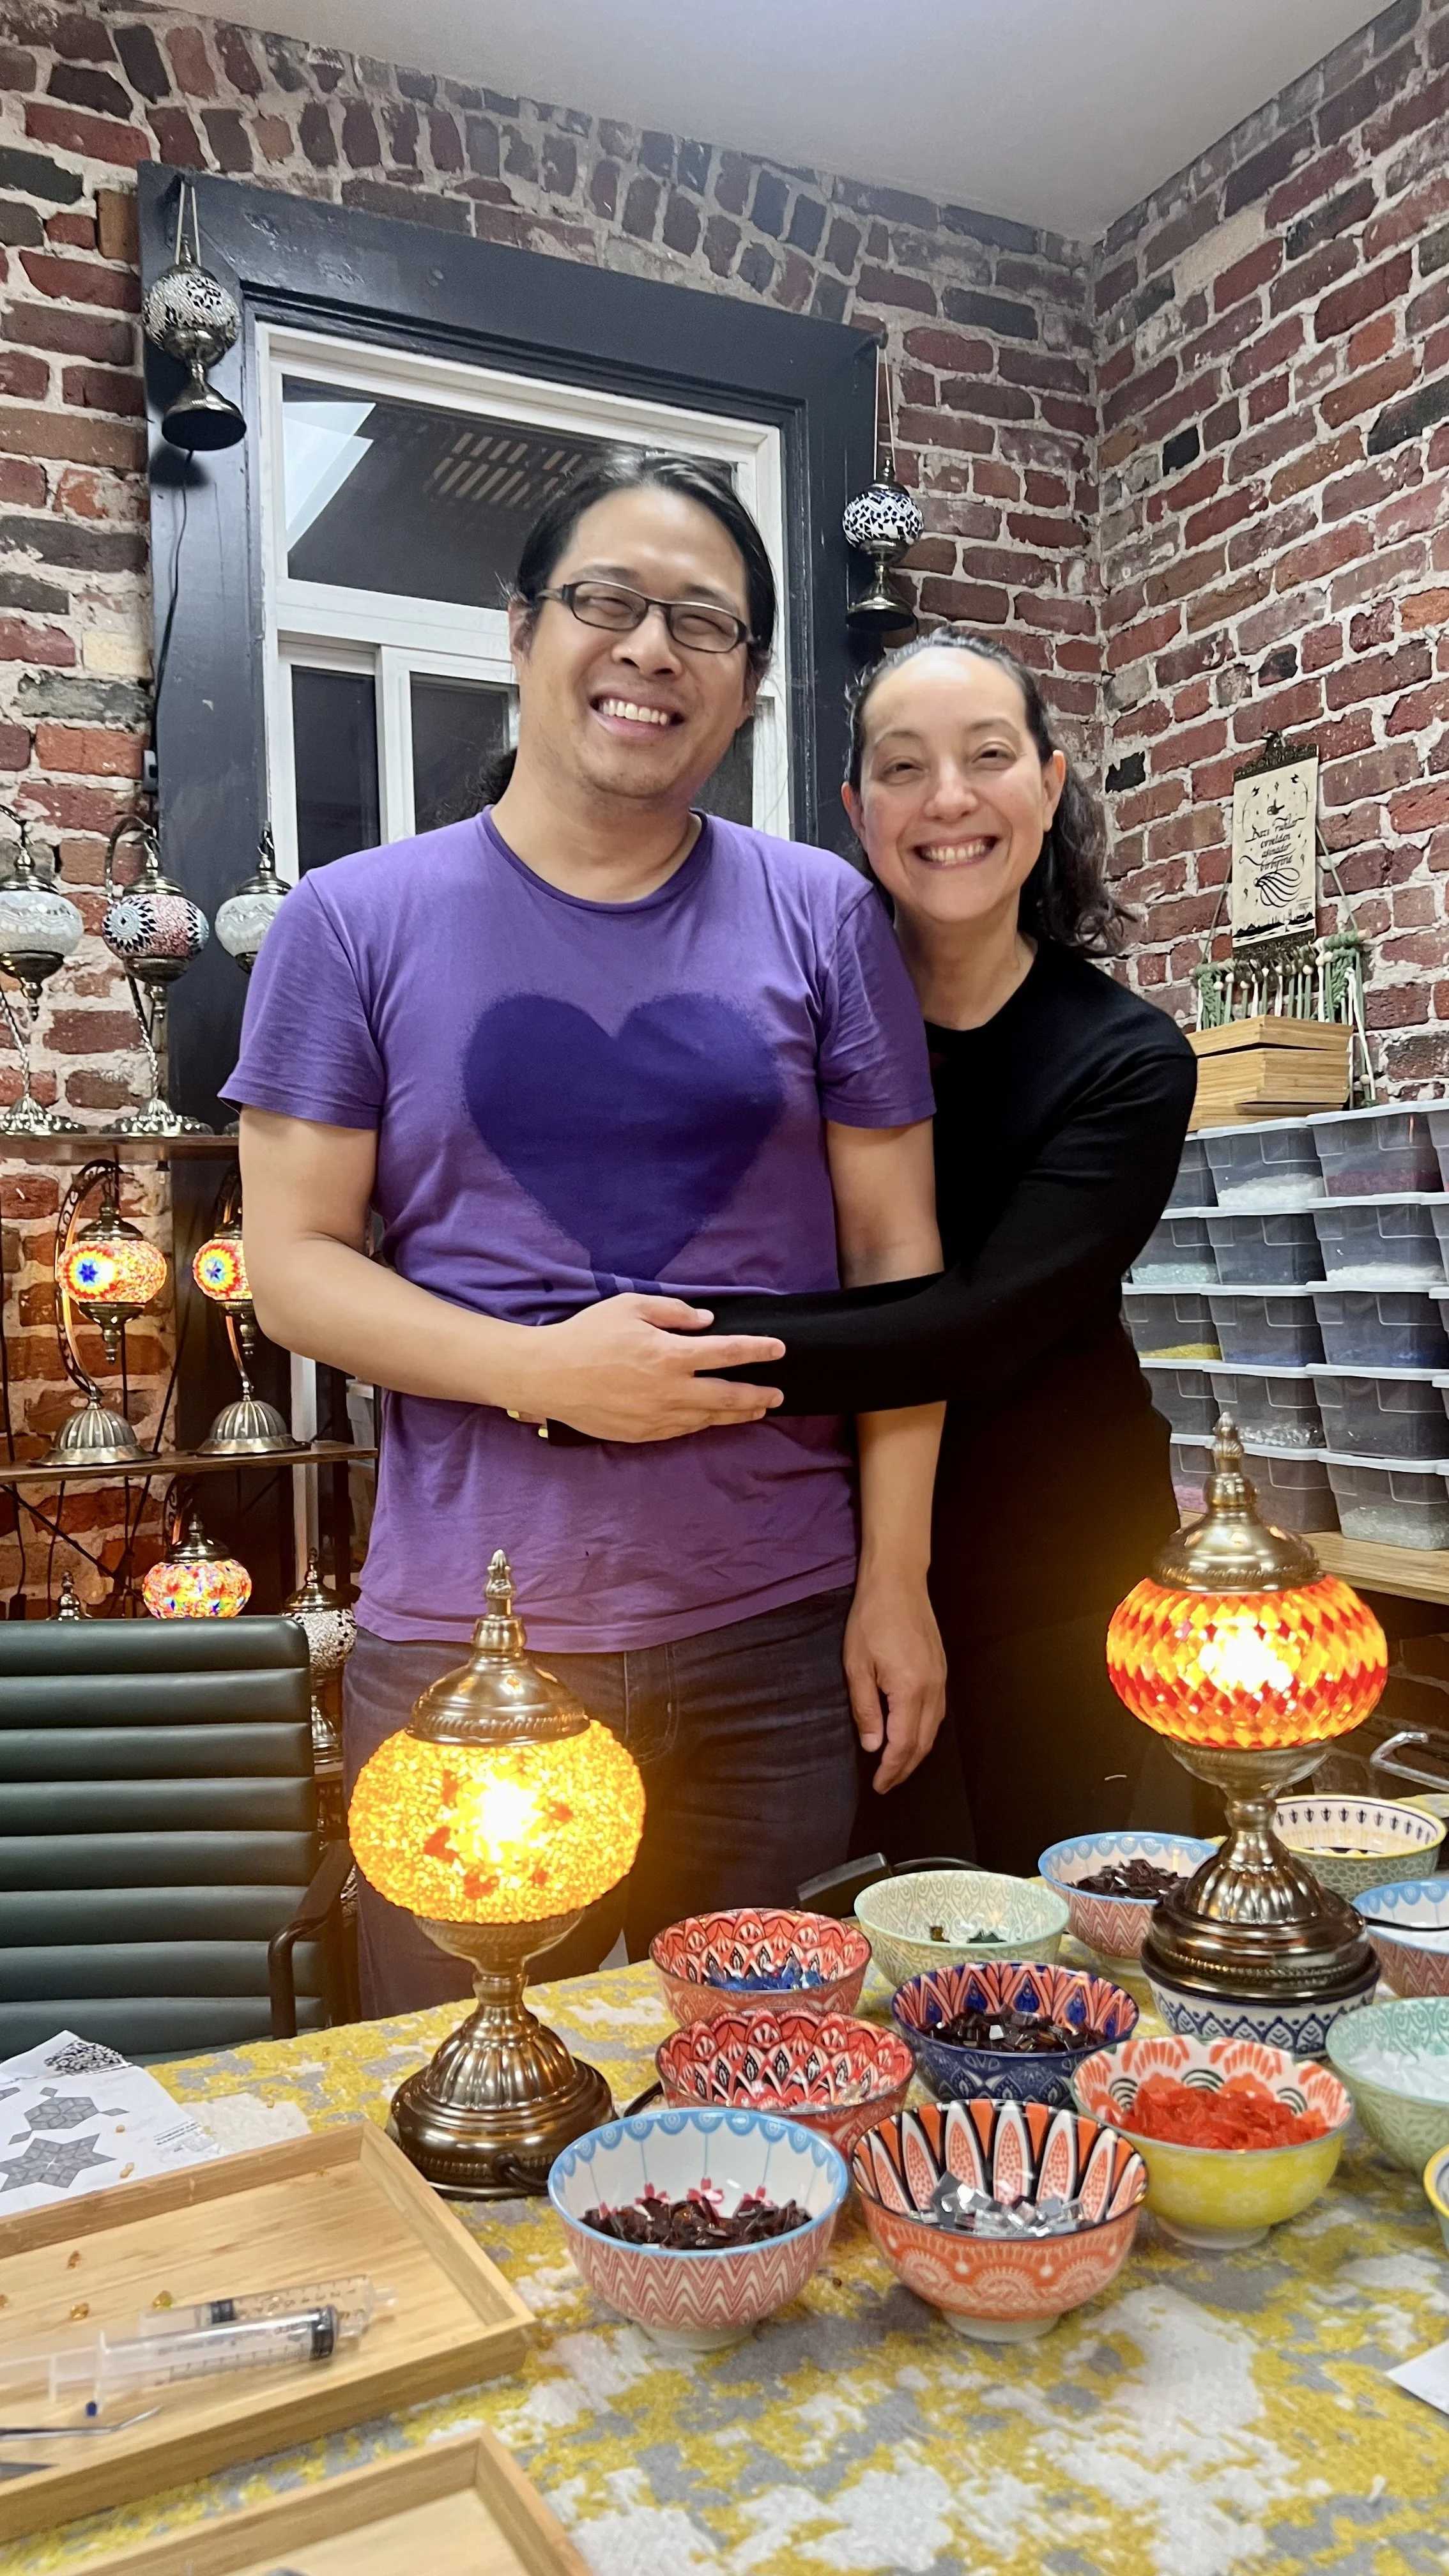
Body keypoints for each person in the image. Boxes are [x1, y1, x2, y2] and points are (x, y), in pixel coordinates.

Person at [227, 451, 946, 2012]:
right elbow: (291, 1268)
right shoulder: (348, 921)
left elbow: (902, 1269)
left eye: (706, 622)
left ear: (750, 683)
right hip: (470, 1639)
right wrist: (543, 1374)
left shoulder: (821, 915)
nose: (651, 650)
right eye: (608, 602)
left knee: (760, 2088)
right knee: (465, 2093)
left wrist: (896, 1579)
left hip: (778, 1627)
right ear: (519, 629)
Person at [706, 632, 1200, 1873]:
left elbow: (973, 1326)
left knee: (1070, 1918)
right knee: (886, 1922)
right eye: (904, 766)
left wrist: (677, 1356)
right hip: (821, 1544)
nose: (949, 801)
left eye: (988, 758)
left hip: (1056, 1558)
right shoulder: (798, 1021)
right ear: (855, 808)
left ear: (1049, 781)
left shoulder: (1125, 1057)